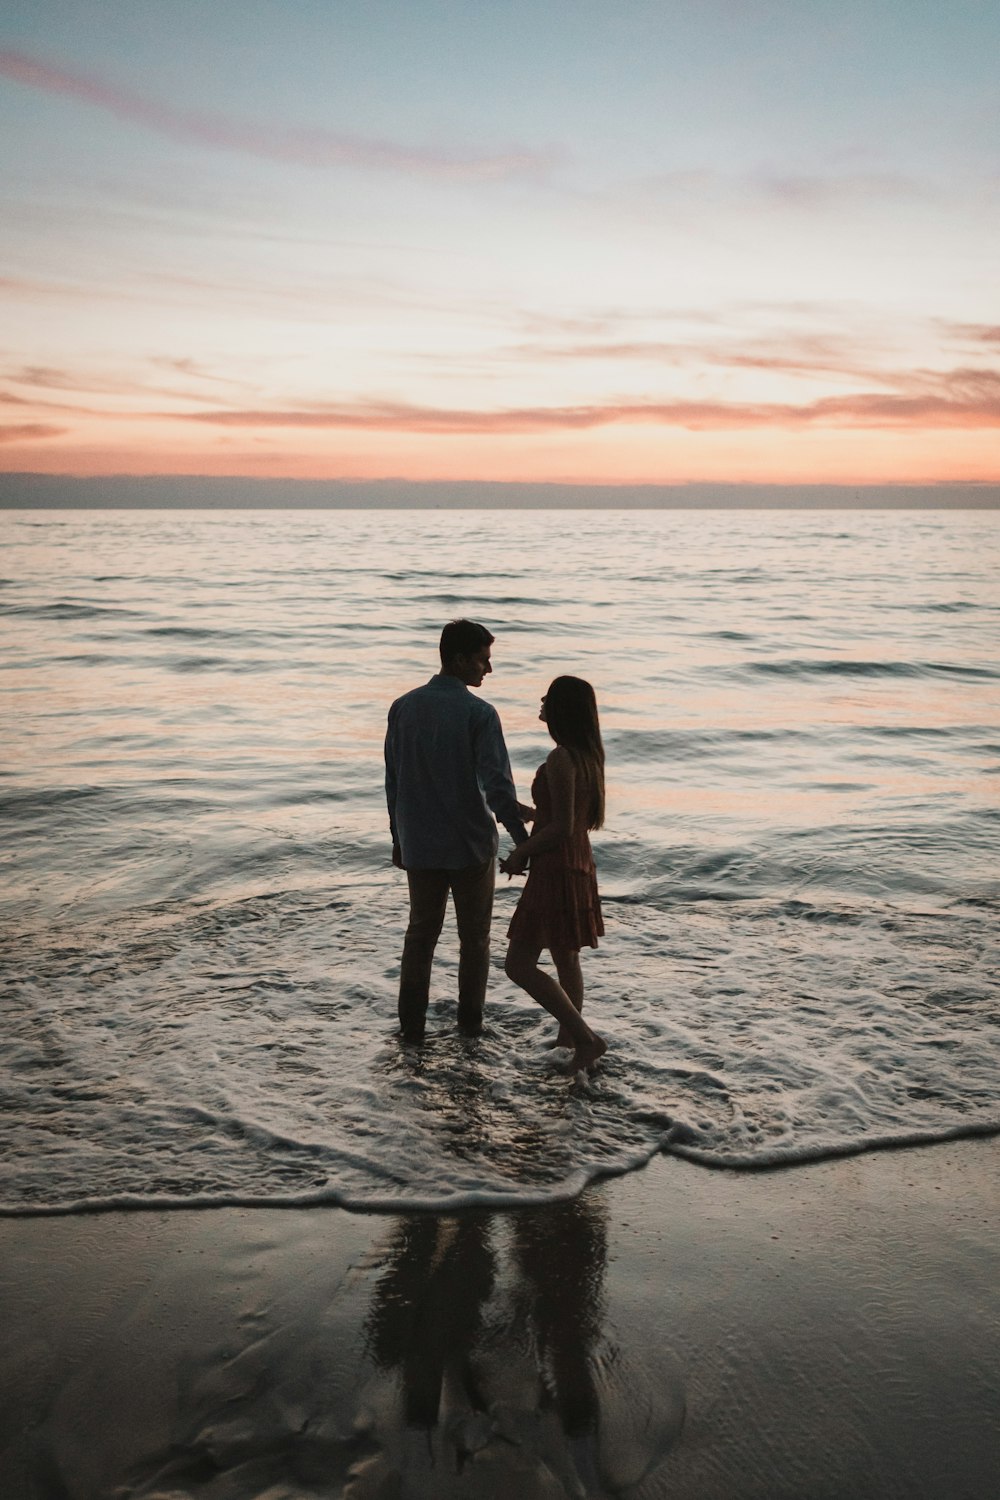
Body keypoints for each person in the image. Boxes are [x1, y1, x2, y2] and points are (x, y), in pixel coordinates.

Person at [385, 619, 530, 1042]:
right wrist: (523, 843)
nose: (488, 669)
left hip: (421, 845)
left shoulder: (403, 706)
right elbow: (497, 787)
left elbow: (394, 781)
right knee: (475, 941)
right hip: (469, 846)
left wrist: (398, 838)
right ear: (460, 659)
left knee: (420, 937)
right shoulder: (479, 714)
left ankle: (410, 1033)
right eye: (483, 660)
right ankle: (470, 1028)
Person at [500, 676, 608, 1074]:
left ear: (562, 709)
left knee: (518, 965)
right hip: (577, 863)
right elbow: (568, 816)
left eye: (549, 696)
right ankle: (569, 1045)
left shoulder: (561, 757)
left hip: (557, 868)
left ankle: (585, 1039)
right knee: (566, 957)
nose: (541, 701)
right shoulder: (586, 756)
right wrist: (527, 814)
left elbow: (561, 826)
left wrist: (519, 854)